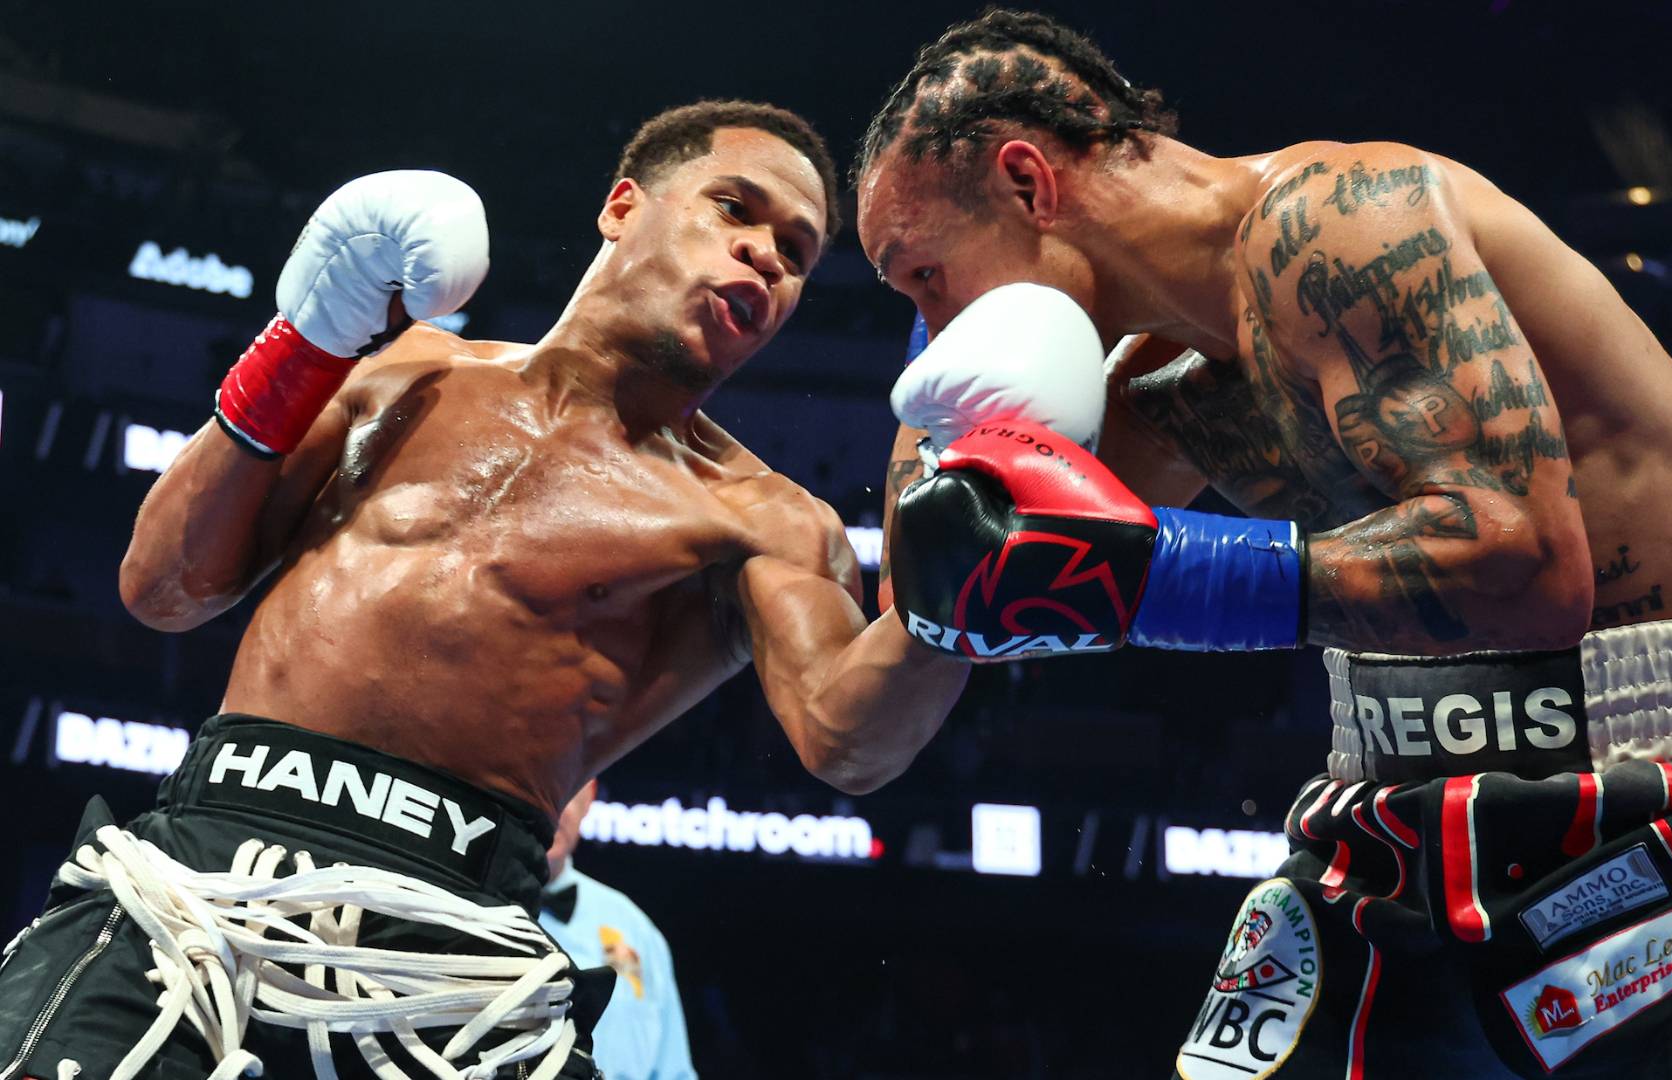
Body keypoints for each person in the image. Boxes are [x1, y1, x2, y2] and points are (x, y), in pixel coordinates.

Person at [858, 11, 1672, 1079]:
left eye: (922, 278)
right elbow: (949, 615)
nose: (936, 325)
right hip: (1385, 829)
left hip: (1665, 780)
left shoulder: (1341, 222)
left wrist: (1165, 577)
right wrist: (933, 432)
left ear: (1028, 183)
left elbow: (1524, 568)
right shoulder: (1159, 384)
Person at [0, 100, 965, 1080]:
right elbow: (162, 586)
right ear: (623, 206)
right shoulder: (407, 371)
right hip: (200, 884)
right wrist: (306, 338)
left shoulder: (762, 520)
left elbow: (852, 740)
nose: (766, 254)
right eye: (735, 208)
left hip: (455, 958)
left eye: (796, 253)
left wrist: (960, 593)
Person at [540, 781, 696, 1080]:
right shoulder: (463, 906)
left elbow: (673, 1070)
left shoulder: (632, 927)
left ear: (589, 798)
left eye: (569, 789)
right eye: (543, 785)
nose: (555, 806)